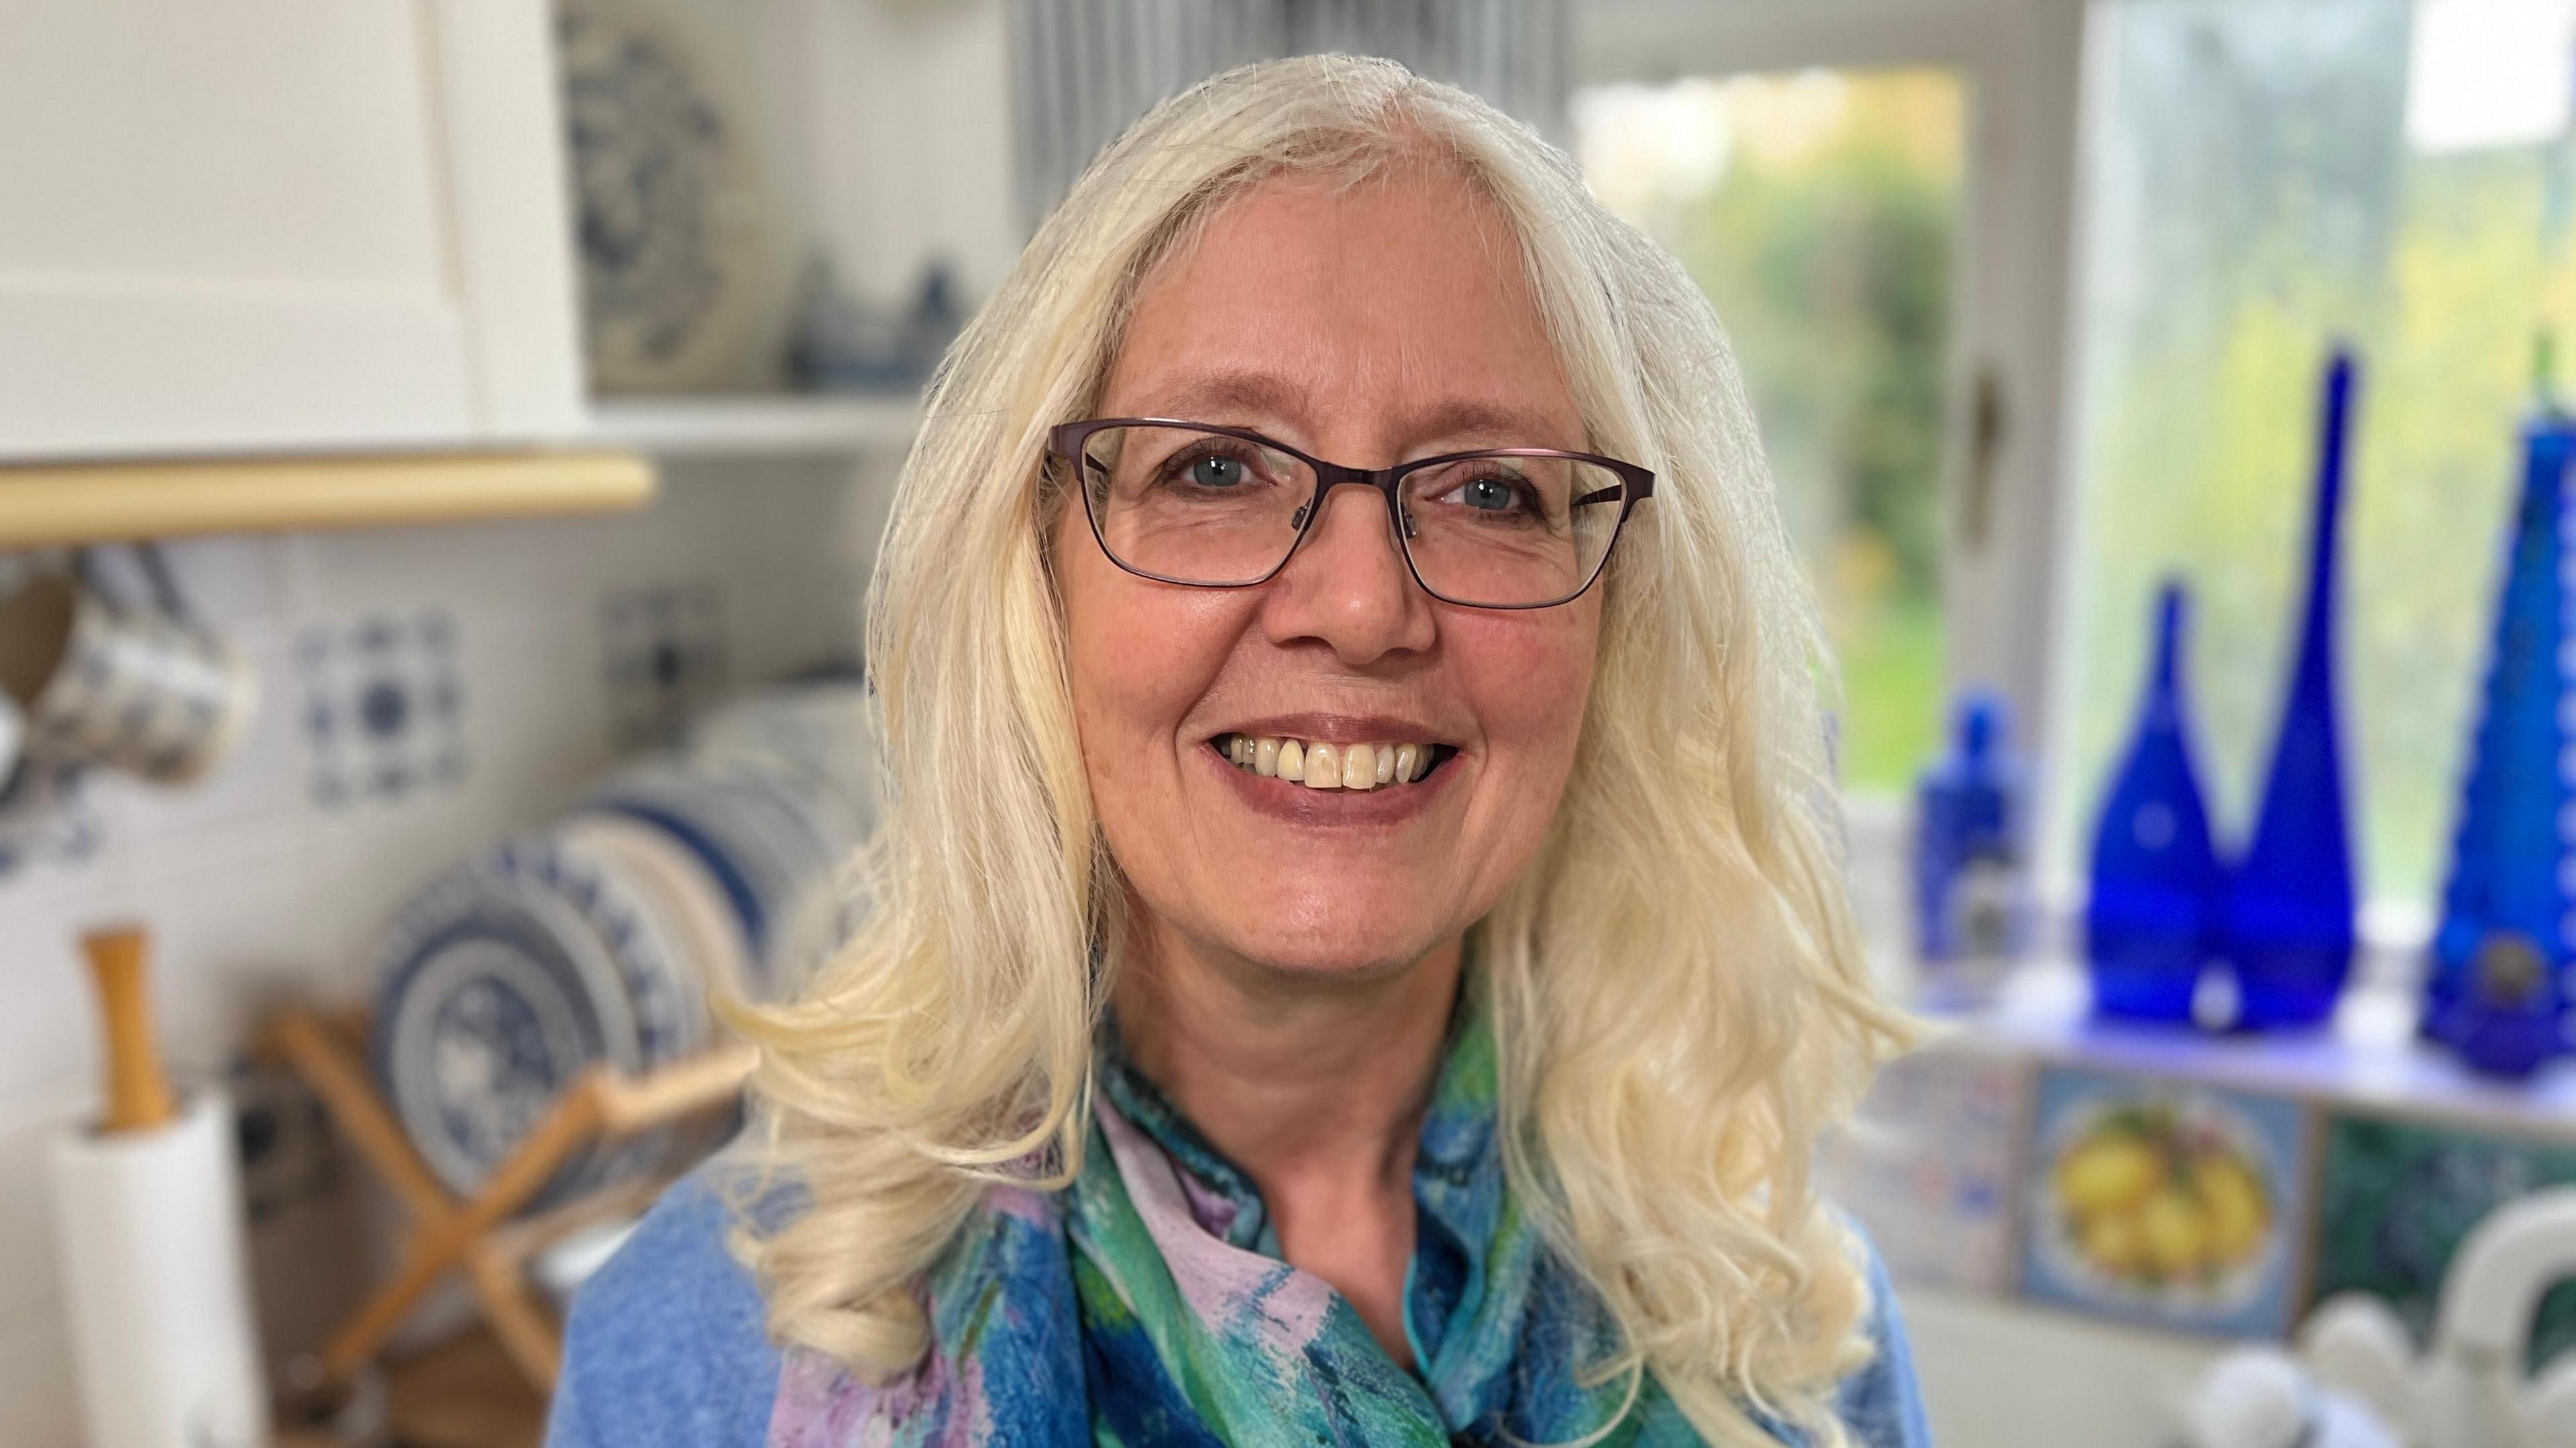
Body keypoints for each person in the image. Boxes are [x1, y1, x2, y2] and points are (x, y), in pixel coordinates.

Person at [549, 53, 1929, 1448]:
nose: (1361, 605)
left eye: (1490, 488)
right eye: (1215, 468)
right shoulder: (712, 1356)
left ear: (1616, 621)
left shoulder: (1786, 1327)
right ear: (1034, 575)